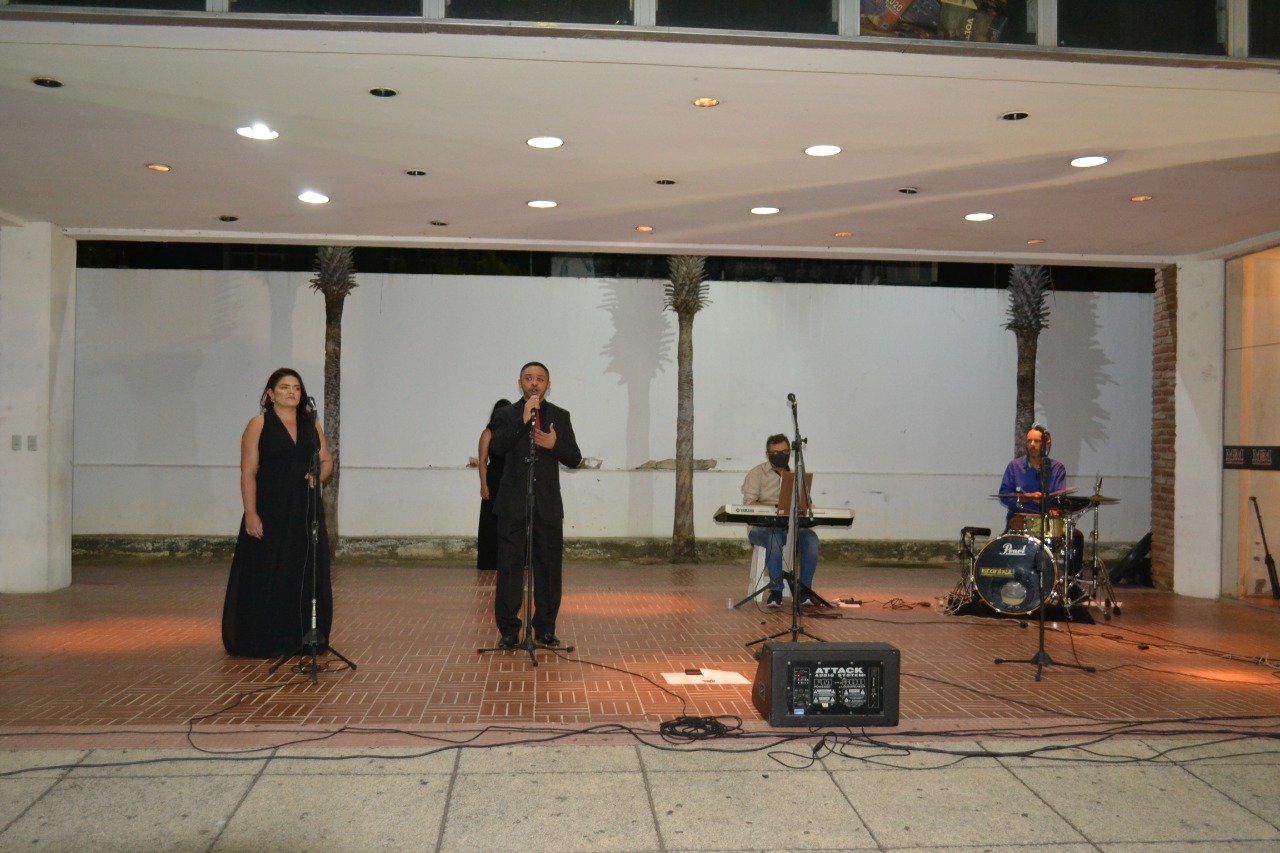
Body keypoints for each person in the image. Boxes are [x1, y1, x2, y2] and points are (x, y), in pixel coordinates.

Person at [221, 368, 334, 658]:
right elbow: (248, 472)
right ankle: (265, 636)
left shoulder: (311, 424)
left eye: (296, 388)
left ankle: (304, 636)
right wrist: (251, 513)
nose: (292, 392)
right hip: (271, 508)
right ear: (271, 393)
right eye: (284, 387)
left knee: (304, 571)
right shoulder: (259, 424)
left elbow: (326, 461)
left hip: (306, 510)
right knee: (270, 570)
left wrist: (317, 476)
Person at [488, 362, 581, 648]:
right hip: (512, 502)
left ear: (548, 385)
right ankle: (508, 630)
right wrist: (521, 422)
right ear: (520, 383)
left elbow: (575, 458)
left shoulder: (560, 416)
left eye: (540, 379)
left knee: (549, 567)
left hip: (547, 504)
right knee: (509, 567)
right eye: (529, 379)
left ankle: (545, 629)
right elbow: (496, 448)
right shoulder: (506, 414)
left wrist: (555, 444)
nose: (534, 384)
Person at [741, 433, 819, 607]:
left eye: (784, 451)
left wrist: (808, 507)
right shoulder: (757, 473)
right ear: (768, 454)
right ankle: (776, 591)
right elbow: (749, 503)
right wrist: (776, 508)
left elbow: (807, 503)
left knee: (811, 539)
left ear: (790, 452)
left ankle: (804, 591)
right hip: (761, 529)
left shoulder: (797, 475)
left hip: (790, 526)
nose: (780, 455)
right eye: (776, 453)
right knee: (774, 536)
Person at [998, 423, 1084, 579]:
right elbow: (1004, 495)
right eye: (1029, 441)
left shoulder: (1057, 468)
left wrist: (1049, 504)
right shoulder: (1014, 467)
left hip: (1047, 519)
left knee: (1076, 537)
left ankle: (1072, 588)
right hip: (1020, 516)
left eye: (1037, 441)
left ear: (1047, 443)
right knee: (1010, 535)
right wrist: (1028, 497)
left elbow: (1059, 499)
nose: (1032, 445)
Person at [476, 398, 511, 571]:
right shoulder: (488, 433)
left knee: (512, 521)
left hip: (512, 479)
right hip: (494, 479)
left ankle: (512, 560)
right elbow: (482, 461)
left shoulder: (515, 432)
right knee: (491, 520)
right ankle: (489, 561)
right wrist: (484, 485)